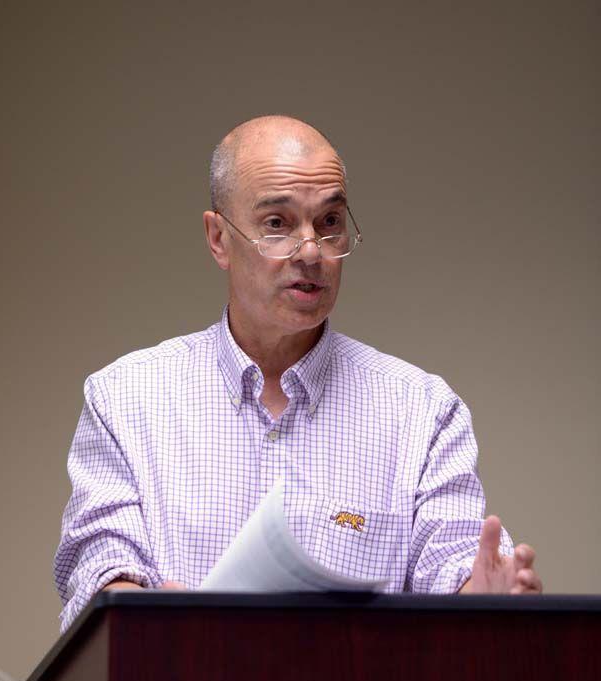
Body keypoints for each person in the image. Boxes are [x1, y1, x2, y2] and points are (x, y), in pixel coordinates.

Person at [54, 115, 542, 632]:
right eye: (277, 224)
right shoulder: (125, 398)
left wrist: (486, 596)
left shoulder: (422, 410)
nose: (311, 251)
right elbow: (100, 565)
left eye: (329, 222)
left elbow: (454, 563)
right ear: (218, 238)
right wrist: (136, 610)